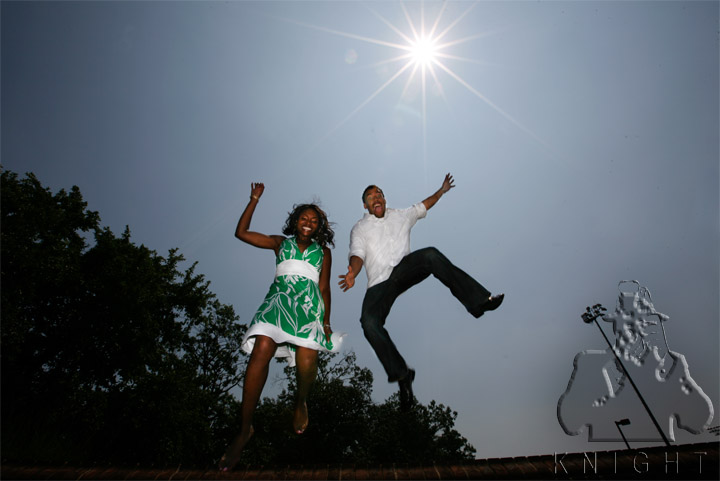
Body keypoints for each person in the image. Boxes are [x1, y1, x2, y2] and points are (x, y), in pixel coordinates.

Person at [338, 173, 504, 411]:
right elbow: (357, 254)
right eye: (371, 197)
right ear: (365, 205)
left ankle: (478, 302)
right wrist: (352, 272)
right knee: (369, 322)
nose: (376, 198)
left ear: (384, 199)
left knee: (430, 255)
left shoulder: (401, 215)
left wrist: (441, 191)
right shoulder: (360, 228)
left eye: (379, 194)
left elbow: (424, 205)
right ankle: (402, 374)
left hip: (404, 270)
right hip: (379, 284)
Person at [219, 182, 343, 471]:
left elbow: (324, 288)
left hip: (308, 306)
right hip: (279, 301)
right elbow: (242, 233)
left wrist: (326, 321)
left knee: (307, 357)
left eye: (314, 220)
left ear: (320, 227)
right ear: (295, 221)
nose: (309, 222)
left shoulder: (324, 252)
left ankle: (301, 401)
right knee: (262, 346)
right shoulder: (280, 243)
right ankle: (245, 429)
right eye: (304, 218)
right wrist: (253, 200)